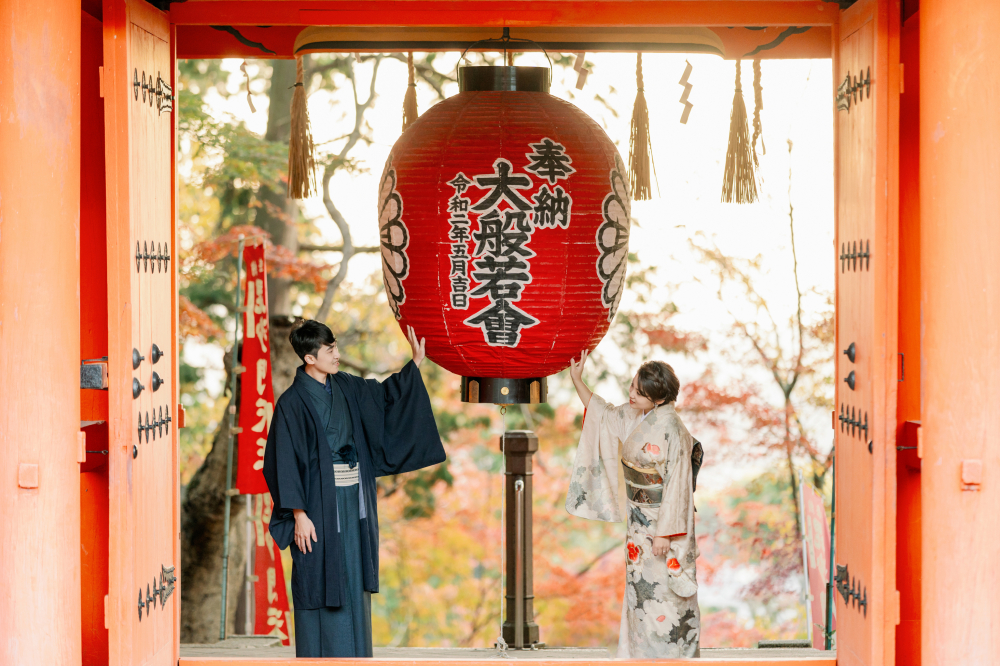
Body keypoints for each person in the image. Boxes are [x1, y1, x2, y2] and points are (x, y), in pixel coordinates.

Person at [262, 320, 446, 658]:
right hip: (316, 503)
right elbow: (283, 460)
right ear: (309, 358)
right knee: (318, 575)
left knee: (354, 572)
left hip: (354, 498)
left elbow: (385, 397)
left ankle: (357, 657)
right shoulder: (292, 403)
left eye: (336, 348)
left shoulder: (346, 385)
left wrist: (415, 363)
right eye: (330, 350)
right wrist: (298, 515)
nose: (338, 355)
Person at [565, 351, 700, 658]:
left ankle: (670, 659)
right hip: (639, 523)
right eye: (632, 386)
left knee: (665, 596)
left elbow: (679, 486)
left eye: (639, 392)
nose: (631, 394)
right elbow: (602, 414)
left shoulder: (673, 430)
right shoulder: (633, 415)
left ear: (659, 398)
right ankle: (638, 656)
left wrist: (666, 533)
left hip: (664, 527)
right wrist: (577, 379)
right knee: (640, 596)